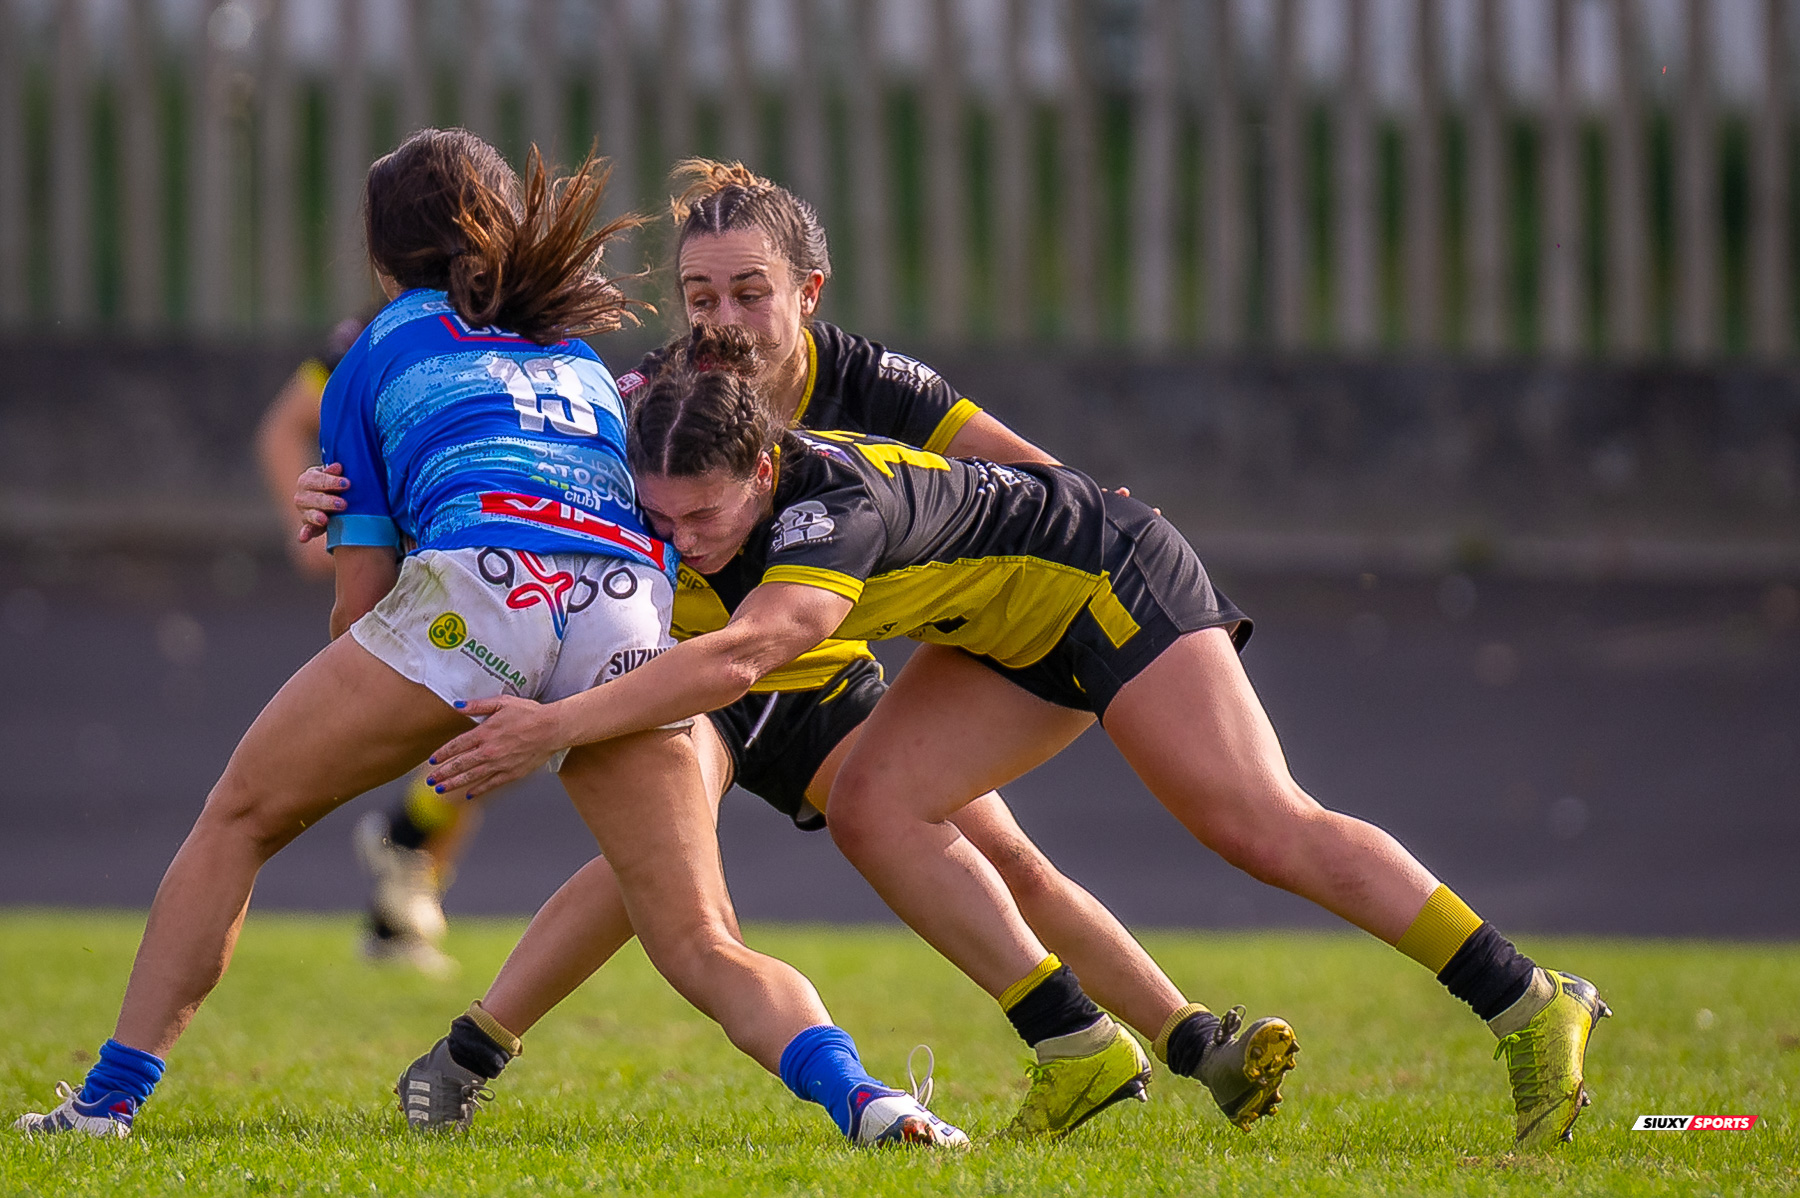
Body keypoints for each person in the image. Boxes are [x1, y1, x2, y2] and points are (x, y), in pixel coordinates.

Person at [424, 323, 1614, 1151]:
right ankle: (1079, 1048)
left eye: (708, 515)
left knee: (1256, 824)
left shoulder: (826, 506)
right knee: (877, 805)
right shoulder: (680, 439)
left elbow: (745, 653)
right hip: (998, 635)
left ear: (766, 464)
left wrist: (553, 726)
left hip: (1109, 577)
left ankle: (1525, 996)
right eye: (662, 517)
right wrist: (357, 484)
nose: (684, 540)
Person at [298, 161, 1296, 1139]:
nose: (725, 320)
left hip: (822, 684)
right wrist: (342, 502)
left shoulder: (864, 377)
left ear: (803, 294)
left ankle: (1188, 1036)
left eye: (747, 293)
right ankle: (467, 1056)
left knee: (1006, 859)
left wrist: (1108, 515)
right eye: (701, 296)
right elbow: (523, 487)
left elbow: (1026, 476)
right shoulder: (645, 399)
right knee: (653, 877)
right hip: (696, 675)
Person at [12, 129, 965, 1150]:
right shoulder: (582, 357)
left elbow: (364, 606)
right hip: (628, 607)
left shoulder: (375, 350)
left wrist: (408, 695)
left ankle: (105, 1103)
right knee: (696, 937)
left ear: (386, 259)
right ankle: (869, 1098)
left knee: (238, 819)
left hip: (482, 592)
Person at [255, 311, 471, 973]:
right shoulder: (374, 335)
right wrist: (314, 524)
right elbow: (284, 427)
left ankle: (397, 916)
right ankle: (401, 849)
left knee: (477, 738)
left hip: (465, 555)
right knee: (479, 727)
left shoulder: (504, 318)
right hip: (408, 561)